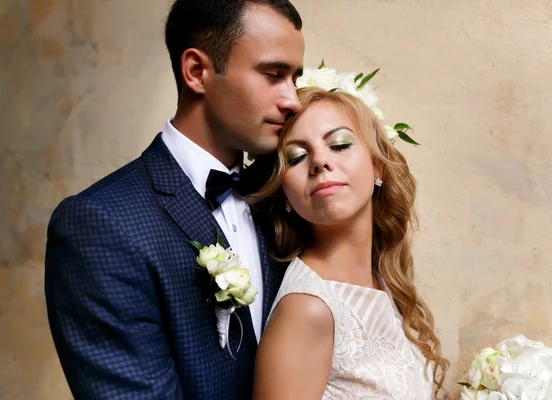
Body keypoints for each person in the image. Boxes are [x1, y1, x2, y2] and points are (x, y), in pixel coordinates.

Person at [44, 0, 304, 398]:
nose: (293, 101)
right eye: (273, 75)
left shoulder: (285, 199)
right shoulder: (101, 224)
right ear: (197, 72)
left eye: (295, 79)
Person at [250, 86, 450, 399]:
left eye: (339, 144)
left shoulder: (383, 280)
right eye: (297, 157)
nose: (319, 161)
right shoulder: (309, 309)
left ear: (377, 166)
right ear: (284, 195)